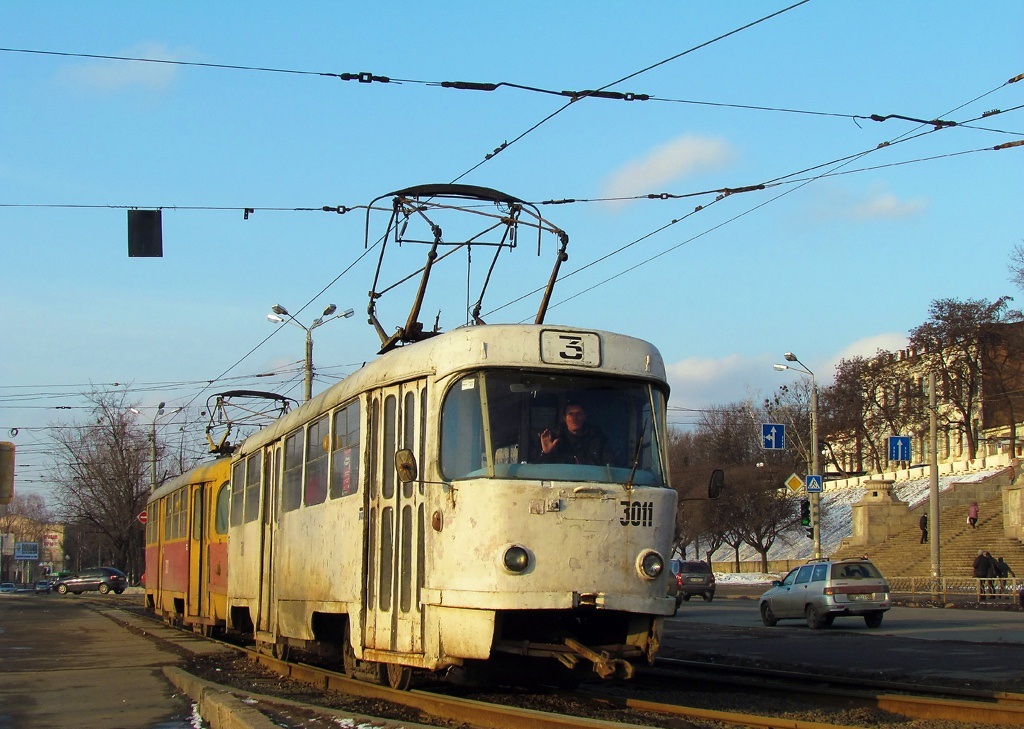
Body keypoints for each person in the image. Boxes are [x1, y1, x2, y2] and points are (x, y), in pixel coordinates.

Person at [538, 402, 618, 466]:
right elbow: (539, 469)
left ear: (584, 416)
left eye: (578, 414)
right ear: (564, 418)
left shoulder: (596, 437)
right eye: (571, 414)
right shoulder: (553, 437)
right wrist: (546, 453)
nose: (574, 419)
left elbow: (611, 464)